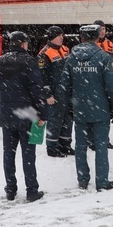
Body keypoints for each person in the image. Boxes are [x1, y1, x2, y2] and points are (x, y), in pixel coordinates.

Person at [59, 24, 113, 191]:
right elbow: (112, 85)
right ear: (97, 37)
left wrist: (70, 105)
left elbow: (65, 85)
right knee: (101, 146)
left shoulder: (71, 58)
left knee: (80, 146)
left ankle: (83, 180)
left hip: (80, 110)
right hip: (100, 108)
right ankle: (102, 181)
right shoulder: (104, 57)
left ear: (81, 38)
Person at [0, 31, 48, 202]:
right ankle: (32, 190)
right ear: (23, 44)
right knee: (28, 154)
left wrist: (2, 111)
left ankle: (10, 189)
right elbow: (37, 90)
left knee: (9, 153)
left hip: (8, 116)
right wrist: (43, 113)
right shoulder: (29, 61)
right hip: (28, 115)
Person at [38, 25, 74, 158]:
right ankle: (52, 147)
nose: (61, 38)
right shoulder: (44, 53)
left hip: (67, 92)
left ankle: (65, 145)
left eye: (62, 35)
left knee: (68, 119)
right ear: (52, 37)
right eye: (59, 35)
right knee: (55, 120)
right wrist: (47, 95)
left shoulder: (65, 50)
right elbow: (42, 76)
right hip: (55, 93)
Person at [93, 19, 113, 149]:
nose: (102, 32)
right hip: (93, 82)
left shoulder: (109, 44)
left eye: (104, 29)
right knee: (92, 113)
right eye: (99, 29)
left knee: (105, 114)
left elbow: (112, 63)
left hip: (105, 83)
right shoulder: (90, 43)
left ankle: (104, 139)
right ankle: (92, 141)